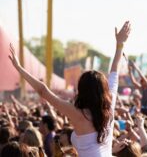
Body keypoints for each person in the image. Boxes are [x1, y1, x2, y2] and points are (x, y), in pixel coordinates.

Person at [8, 21, 131, 157]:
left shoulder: (78, 113)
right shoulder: (109, 106)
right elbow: (114, 72)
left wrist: (19, 68)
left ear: (82, 90)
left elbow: (43, 90)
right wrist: (120, 45)